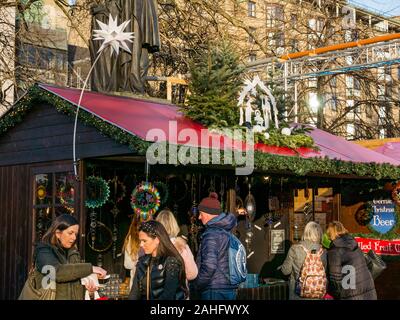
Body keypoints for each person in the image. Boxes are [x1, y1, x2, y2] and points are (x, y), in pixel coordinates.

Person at [33, 214, 107, 300]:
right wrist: (91, 268)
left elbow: (76, 282)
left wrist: (90, 292)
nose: (74, 237)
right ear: (58, 233)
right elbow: (56, 272)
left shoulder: (73, 253)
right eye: (70, 233)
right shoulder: (44, 251)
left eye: (75, 234)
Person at [128, 220, 187, 300]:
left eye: (144, 241)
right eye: (140, 241)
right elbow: (134, 293)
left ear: (157, 240)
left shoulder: (171, 262)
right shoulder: (142, 262)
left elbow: (168, 296)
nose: (141, 245)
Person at [196, 192, 239, 300]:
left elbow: (209, 266)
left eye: (201, 213)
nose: (199, 217)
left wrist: (196, 285)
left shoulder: (211, 234)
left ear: (208, 213)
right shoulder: (226, 231)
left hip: (214, 290)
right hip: (229, 287)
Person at [326, 221, 377, 300]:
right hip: (368, 287)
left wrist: (337, 294)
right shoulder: (353, 242)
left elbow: (335, 279)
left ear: (331, 233)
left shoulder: (335, 249)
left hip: (351, 293)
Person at [120, 0, 161, 93]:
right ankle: (134, 86)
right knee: (136, 59)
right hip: (132, 28)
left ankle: (138, 87)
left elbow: (151, 15)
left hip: (143, 35)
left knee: (144, 63)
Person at [281, 221, 327, 300]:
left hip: (297, 294)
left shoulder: (295, 248)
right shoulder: (323, 251)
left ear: (306, 232)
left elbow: (286, 271)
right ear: (319, 233)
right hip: (317, 293)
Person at [156, 209, 198, 281]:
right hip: (178, 289)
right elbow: (192, 273)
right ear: (174, 224)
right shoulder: (181, 246)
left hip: (156, 289)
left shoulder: (151, 245)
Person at [123, 216, 142, 290]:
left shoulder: (131, 239)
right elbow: (127, 265)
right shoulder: (132, 239)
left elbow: (128, 265)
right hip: (137, 285)